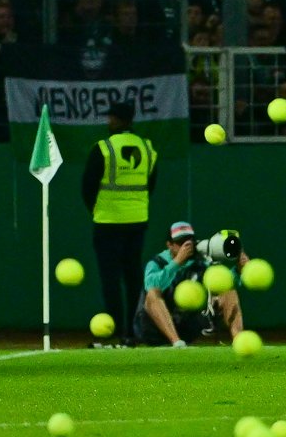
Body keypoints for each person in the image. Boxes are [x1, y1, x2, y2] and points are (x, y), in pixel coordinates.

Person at [82, 104, 157, 345]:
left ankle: (113, 330)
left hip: (108, 222)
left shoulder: (103, 148)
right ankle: (133, 331)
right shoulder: (148, 148)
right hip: (137, 221)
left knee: (110, 278)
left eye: (110, 117)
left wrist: (98, 210)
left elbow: (87, 187)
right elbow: (150, 184)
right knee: (133, 275)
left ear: (115, 119)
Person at [137, 221, 245, 346]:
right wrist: (176, 263)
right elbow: (150, 285)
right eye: (180, 242)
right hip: (152, 328)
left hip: (187, 324)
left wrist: (238, 270)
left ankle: (239, 341)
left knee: (228, 290)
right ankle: (176, 342)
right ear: (169, 245)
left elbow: (222, 281)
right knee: (153, 294)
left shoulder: (200, 262)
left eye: (189, 241)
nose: (186, 246)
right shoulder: (157, 262)